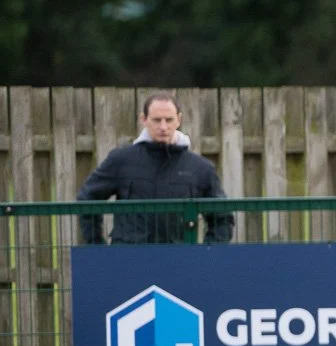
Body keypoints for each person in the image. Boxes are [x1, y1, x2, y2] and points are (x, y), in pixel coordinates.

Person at [78, 93, 233, 245]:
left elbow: (222, 217)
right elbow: (87, 198)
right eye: (157, 120)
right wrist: (96, 246)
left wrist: (207, 255)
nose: (163, 127)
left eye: (169, 120)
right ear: (143, 119)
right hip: (128, 261)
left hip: (180, 261)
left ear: (179, 120)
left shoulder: (200, 168)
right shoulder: (121, 160)